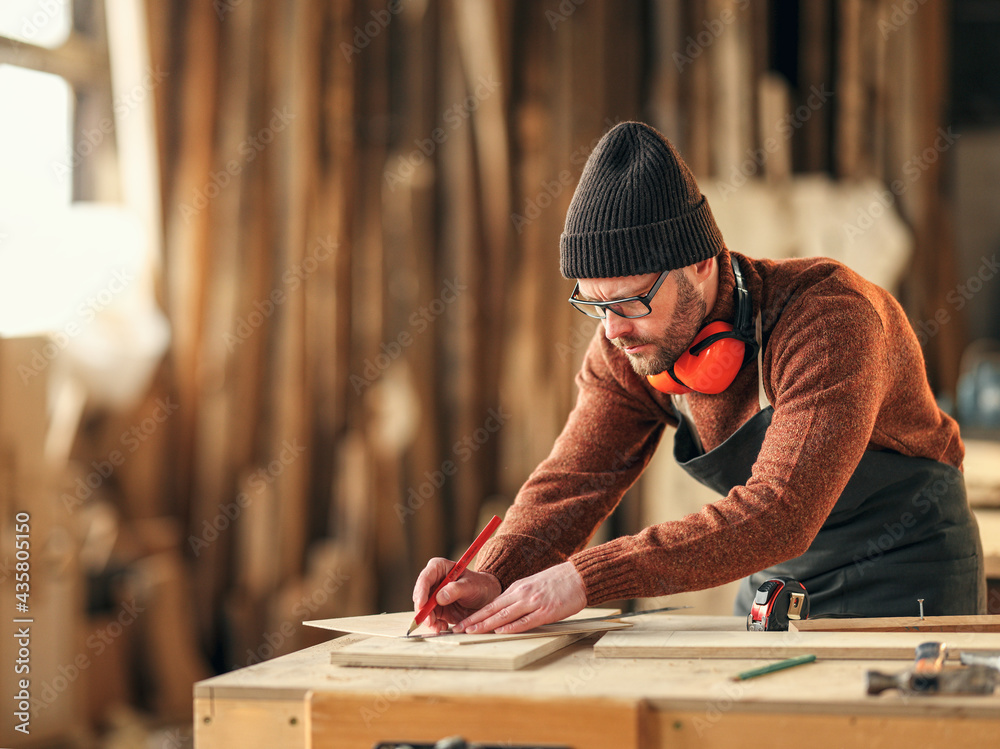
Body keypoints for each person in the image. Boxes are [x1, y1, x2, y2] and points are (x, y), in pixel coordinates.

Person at [412, 121, 986, 635]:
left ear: (700, 263)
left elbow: (779, 512)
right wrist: (493, 573)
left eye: (630, 300)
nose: (611, 330)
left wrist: (584, 579)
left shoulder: (828, 318)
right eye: (592, 304)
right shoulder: (628, 340)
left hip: (904, 573)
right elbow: (573, 479)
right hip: (779, 582)